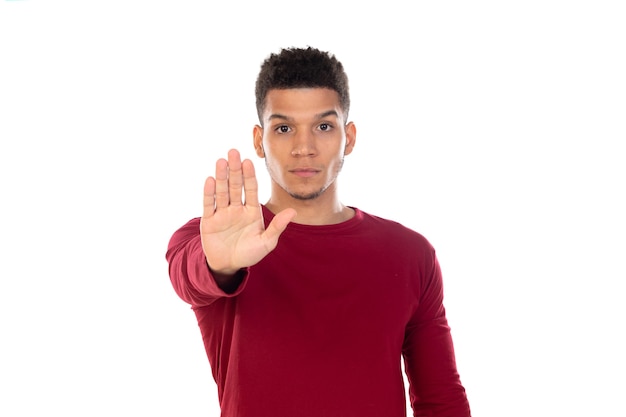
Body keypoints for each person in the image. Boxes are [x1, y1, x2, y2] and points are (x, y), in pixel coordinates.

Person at [166, 46, 471, 417]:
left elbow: (442, 400)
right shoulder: (215, 238)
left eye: (324, 126)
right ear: (260, 141)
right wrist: (219, 266)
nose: (304, 148)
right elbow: (188, 275)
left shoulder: (410, 253)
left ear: (350, 136)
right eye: (284, 128)